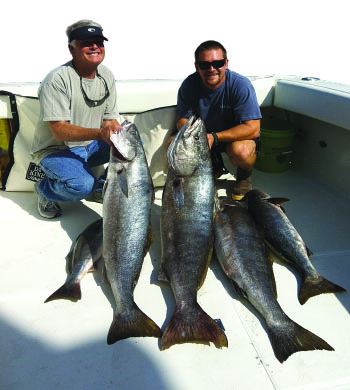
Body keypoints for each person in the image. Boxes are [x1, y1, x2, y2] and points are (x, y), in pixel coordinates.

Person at [31, 19, 120, 218]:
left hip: (91, 146)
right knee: (81, 186)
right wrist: (101, 133)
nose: (95, 46)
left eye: (99, 41)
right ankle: (44, 189)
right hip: (56, 150)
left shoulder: (107, 75)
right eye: (86, 43)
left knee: (133, 143)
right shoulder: (56, 80)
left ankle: (100, 189)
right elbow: (59, 130)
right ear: (72, 50)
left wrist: (117, 132)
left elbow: (109, 120)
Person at [176, 40, 261, 200]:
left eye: (218, 63)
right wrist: (198, 138)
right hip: (203, 137)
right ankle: (214, 166)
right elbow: (182, 121)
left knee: (241, 152)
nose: (211, 69)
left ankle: (244, 176)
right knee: (171, 146)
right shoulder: (189, 84)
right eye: (205, 65)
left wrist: (214, 137)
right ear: (197, 66)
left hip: (233, 139)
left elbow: (253, 128)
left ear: (226, 63)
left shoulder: (240, 85)